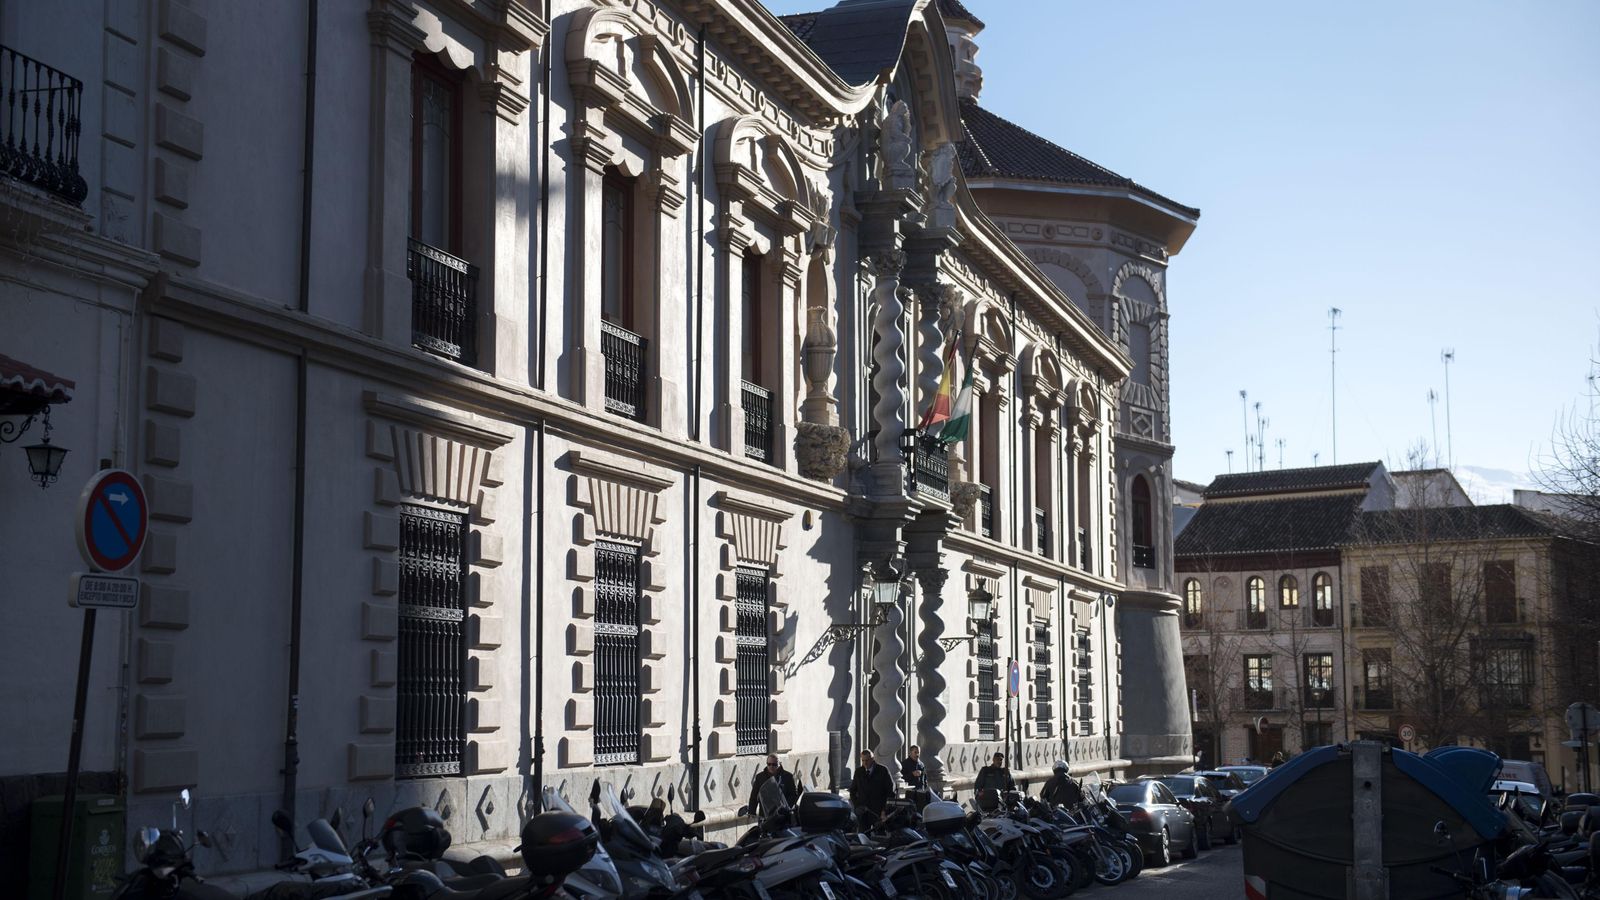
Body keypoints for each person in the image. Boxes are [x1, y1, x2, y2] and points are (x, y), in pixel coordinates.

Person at [849, 749, 895, 825]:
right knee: (863, 834)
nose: (865, 763)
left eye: (867, 760)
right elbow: (853, 790)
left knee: (879, 834)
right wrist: (857, 805)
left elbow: (890, 791)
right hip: (863, 811)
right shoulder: (859, 772)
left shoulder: (883, 770)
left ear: (872, 759)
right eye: (863, 760)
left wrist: (885, 810)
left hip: (878, 811)